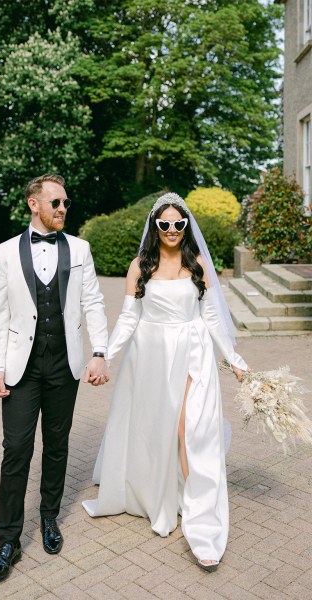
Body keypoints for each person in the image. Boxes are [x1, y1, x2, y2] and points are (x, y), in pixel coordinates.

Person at [82, 192, 248, 572]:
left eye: (179, 224)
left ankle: (201, 522)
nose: (172, 230)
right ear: (154, 227)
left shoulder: (198, 263)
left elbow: (213, 320)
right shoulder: (140, 265)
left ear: (186, 227)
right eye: (164, 224)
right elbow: (128, 318)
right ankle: (163, 492)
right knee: (159, 431)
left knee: (191, 431)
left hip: (193, 354)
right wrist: (103, 353)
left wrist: (236, 362)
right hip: (151, 356)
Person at [0, 173, 109, 582]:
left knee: (56, 445)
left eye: (65, 203)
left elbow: (93, 301)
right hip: (21, 368)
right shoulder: (5, 253)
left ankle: (50, 517)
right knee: (16, 449)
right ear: (33, 204)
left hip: (65, 365)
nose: (62, 209)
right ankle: (8, 541)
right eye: (55, 202)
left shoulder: (80, 248)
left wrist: (98, 352)